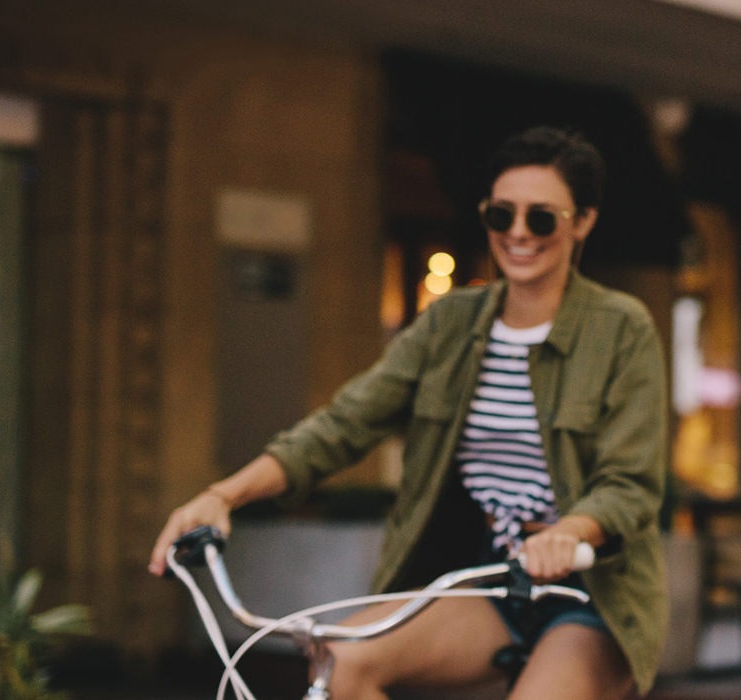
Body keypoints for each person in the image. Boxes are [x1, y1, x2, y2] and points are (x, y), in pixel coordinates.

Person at [148, 126, 668, 699]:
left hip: (591, 595)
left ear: (583, 222)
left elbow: (630, 483)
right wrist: (223, 496)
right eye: (502, 215)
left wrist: (569, 532)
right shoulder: (451, 323)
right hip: (489, 584)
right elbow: (342, 425)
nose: (519, 233)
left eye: (541, 218)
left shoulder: (621, 328)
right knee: (339, 664)